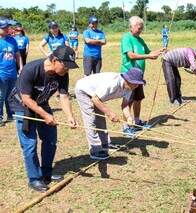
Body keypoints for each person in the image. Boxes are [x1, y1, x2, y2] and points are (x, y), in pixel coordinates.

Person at [8, 46, 78, 192]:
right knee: (30, 143)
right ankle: (34, 179)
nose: (67, 70)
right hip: (22, 106)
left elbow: (64, 96)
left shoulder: (62, 73)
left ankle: (46, 173)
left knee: (50, 140)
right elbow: (26, 99)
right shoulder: (31, 69)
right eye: (65, 66)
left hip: (41, 103)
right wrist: (45, 115)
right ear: (54, 60)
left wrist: (70, 116)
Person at [75, 68, 146, 160]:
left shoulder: (130, 88)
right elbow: (95, 99)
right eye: (134, 83)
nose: (136, 86)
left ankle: (105, 144)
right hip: (84, 90)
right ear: (127, 79)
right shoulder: (112, 84)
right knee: (91, 119)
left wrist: (128, 117)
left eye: (138, 84)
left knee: (100, 119)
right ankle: (95, 150)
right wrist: (110, 113)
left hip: (97, 96)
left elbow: (124, 105)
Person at [120, 16, 163, 134]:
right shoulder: (126, 38)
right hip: (129, 75)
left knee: (138, 99)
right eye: (139, 28)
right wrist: (148, 56)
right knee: (127, 101)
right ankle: (126, 127)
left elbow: (149, 53)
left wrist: (160, 51)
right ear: (131, 26)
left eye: (142, 28)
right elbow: (131, 55)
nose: (140, 30)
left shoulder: (140, 39)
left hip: (138, 76)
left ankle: (137, 122)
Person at [0, 19, 22, 127]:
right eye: (3, 27)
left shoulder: (12, 40)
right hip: (1, 73)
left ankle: (11, 115)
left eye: (6, 27)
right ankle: (0, 118)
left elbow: (17, 55)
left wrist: (21, 67)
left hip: (13, 73)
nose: (6, 29)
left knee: (11, 95)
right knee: (1, 96)